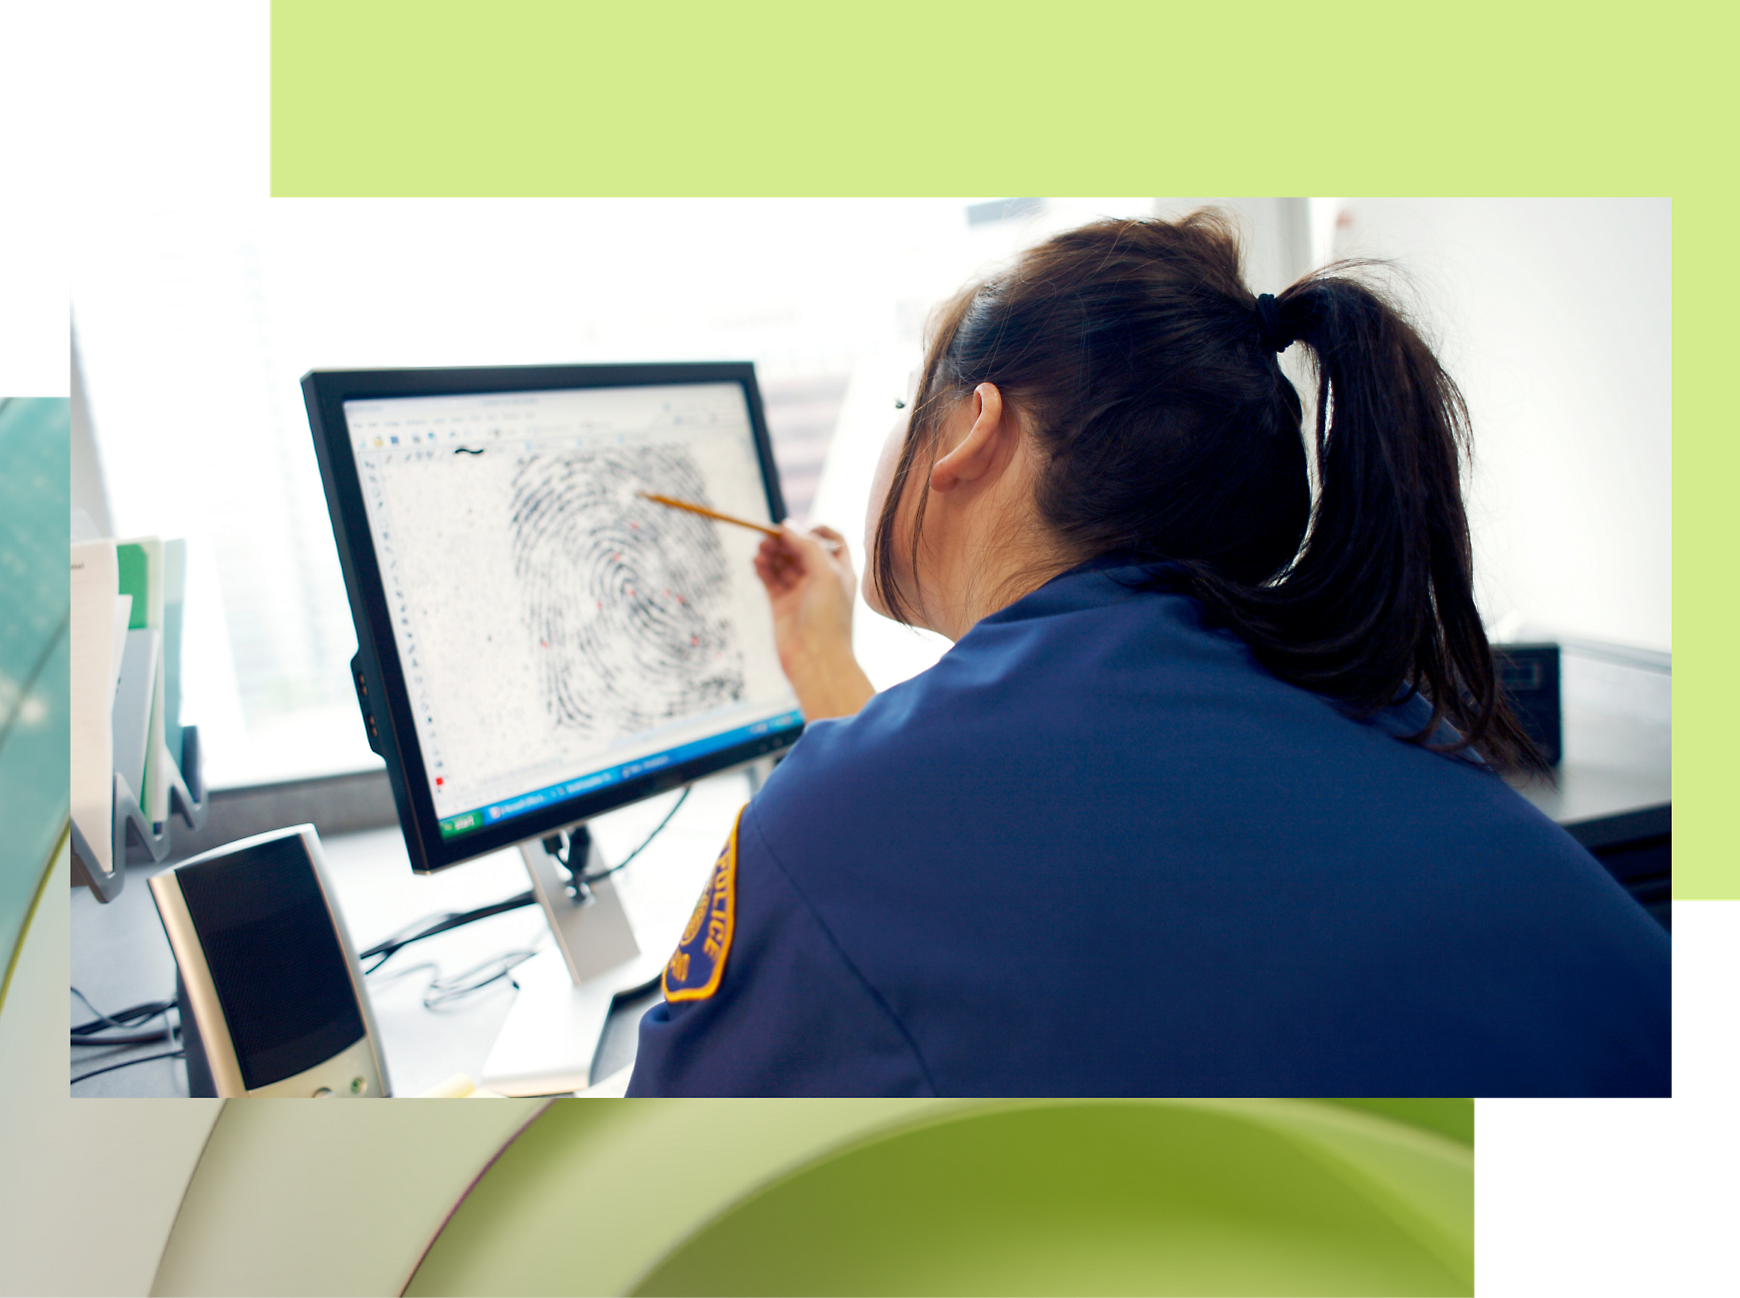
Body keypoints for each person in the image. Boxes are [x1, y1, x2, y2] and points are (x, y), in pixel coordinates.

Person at [627, 209, 1671, 1097]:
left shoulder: (837, 825)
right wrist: (823, 666)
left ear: (974, 432)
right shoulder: (1378, 718)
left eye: (910, 402)